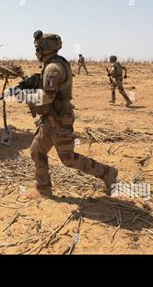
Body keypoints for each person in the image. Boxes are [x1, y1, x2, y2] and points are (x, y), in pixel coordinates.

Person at [26, 30, 118, 197]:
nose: (36, 52)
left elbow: (48, 96)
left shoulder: (53, 68)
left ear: (46, 49)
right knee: (37, 151)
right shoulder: (56, 64)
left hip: (59, 120)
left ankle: (107, 172)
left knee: (68, 159)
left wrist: (28, 96)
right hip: (49, 119)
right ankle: (44, 190)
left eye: (38, 49)